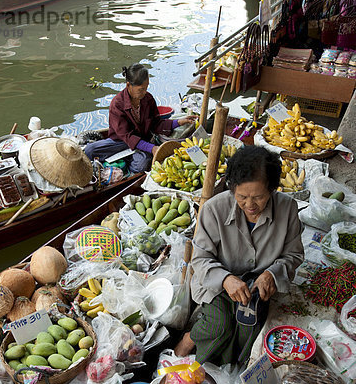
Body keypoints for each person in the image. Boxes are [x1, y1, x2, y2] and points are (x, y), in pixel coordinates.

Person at [175, 145, 304, 366]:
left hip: (257, 285)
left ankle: (229, 369)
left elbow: (293, 254)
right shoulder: (215, 208)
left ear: (272, 189)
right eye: (242, 197)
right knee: (220, 325)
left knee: (249, 326)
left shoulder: (288, 208)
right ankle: (190, 341)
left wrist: (272, 274)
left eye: (259, 197)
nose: (250, 205)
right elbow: (201, 258)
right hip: (216, 280)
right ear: (232, 188)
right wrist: (225, 279)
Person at [84, 63, 196, 173]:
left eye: (146, 88)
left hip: (142, 141)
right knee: (90, 150)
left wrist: (178, 122)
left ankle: (128, 162)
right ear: (128, 86)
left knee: (141, 164)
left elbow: (156, 124)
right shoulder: (117, 104)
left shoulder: (148, 99)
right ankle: (127, 158)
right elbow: (127, 136)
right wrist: (152, 148)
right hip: (120, 142)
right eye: (141, 89)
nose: (144, 92)